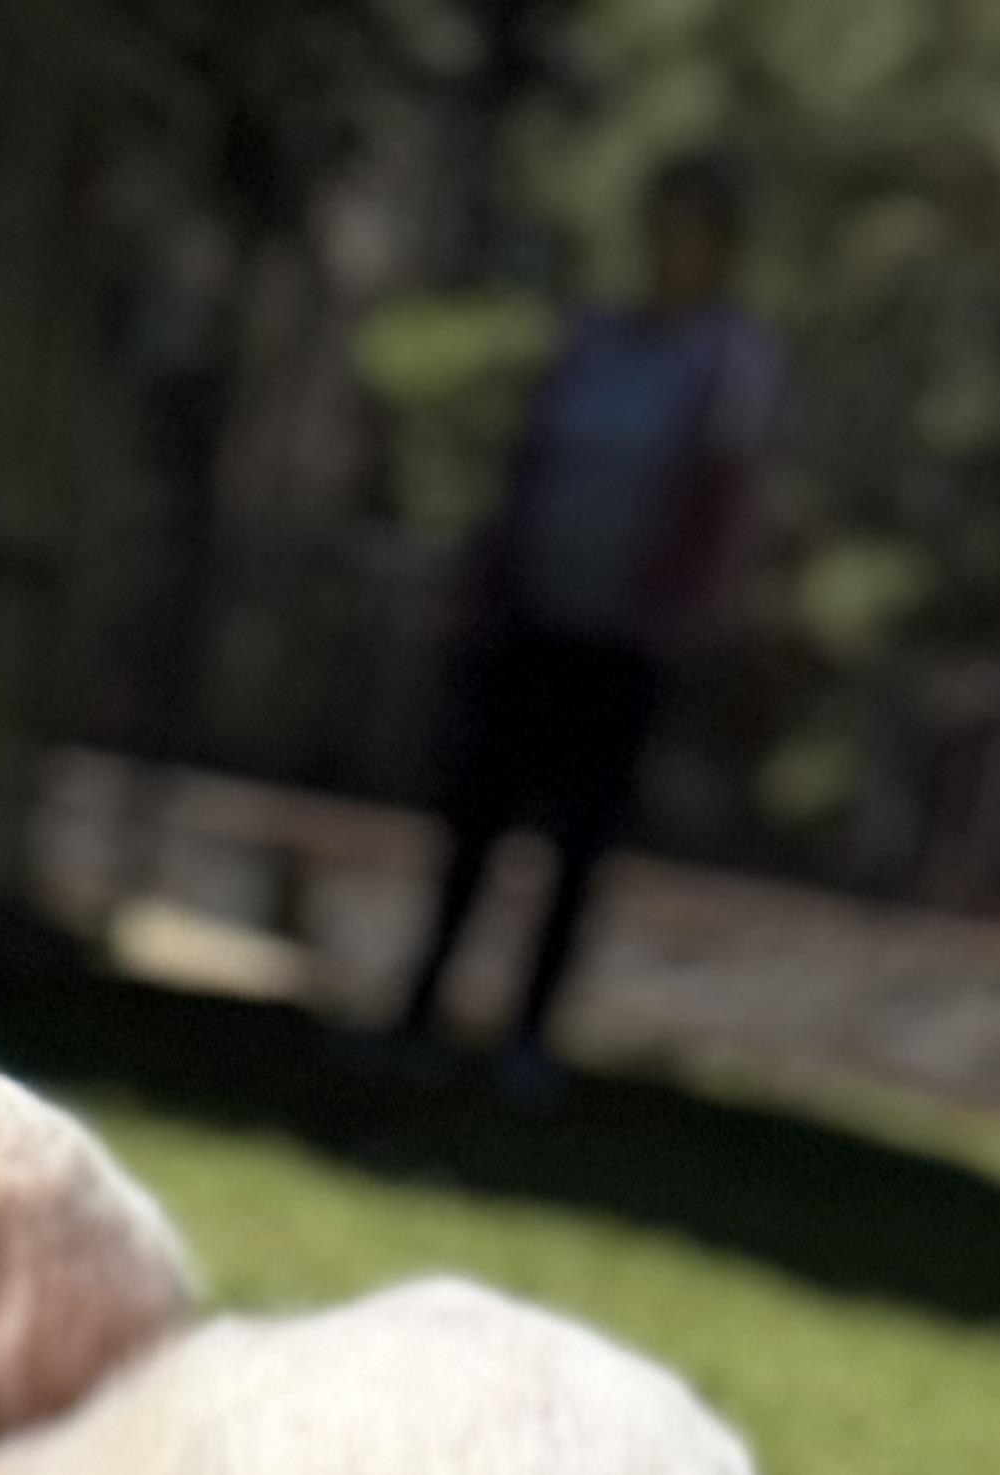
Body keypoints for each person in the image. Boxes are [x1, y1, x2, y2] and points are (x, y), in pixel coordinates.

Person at [390, 155, 783, 1097]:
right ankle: (418, 1011)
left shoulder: (730, 361)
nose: (670, 246)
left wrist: (678, 612)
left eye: (692, 229)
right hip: (531, 611)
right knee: (475, 817)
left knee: (576, 841)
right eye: (662, 224)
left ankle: (527, 1037)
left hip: (624, 639)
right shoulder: (597, 337)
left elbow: (723, 505)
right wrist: (488, 574)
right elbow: (527, 464)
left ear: (720, 248)